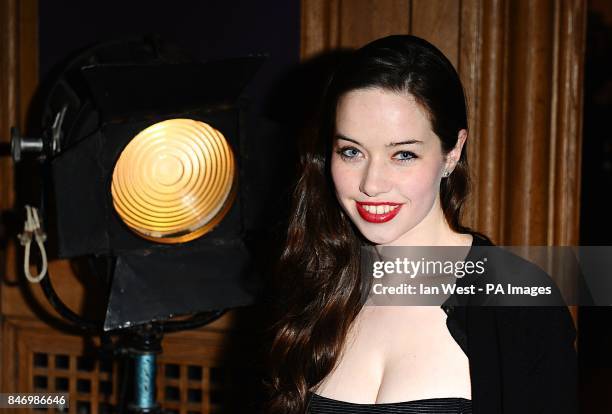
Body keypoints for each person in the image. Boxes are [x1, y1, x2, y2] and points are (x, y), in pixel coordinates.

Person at [265, 35, 577, 414]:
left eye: (404, 155)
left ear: (453, 152)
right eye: (351, 151)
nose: (371, 184)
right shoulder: (317, 286)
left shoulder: (520, 302)